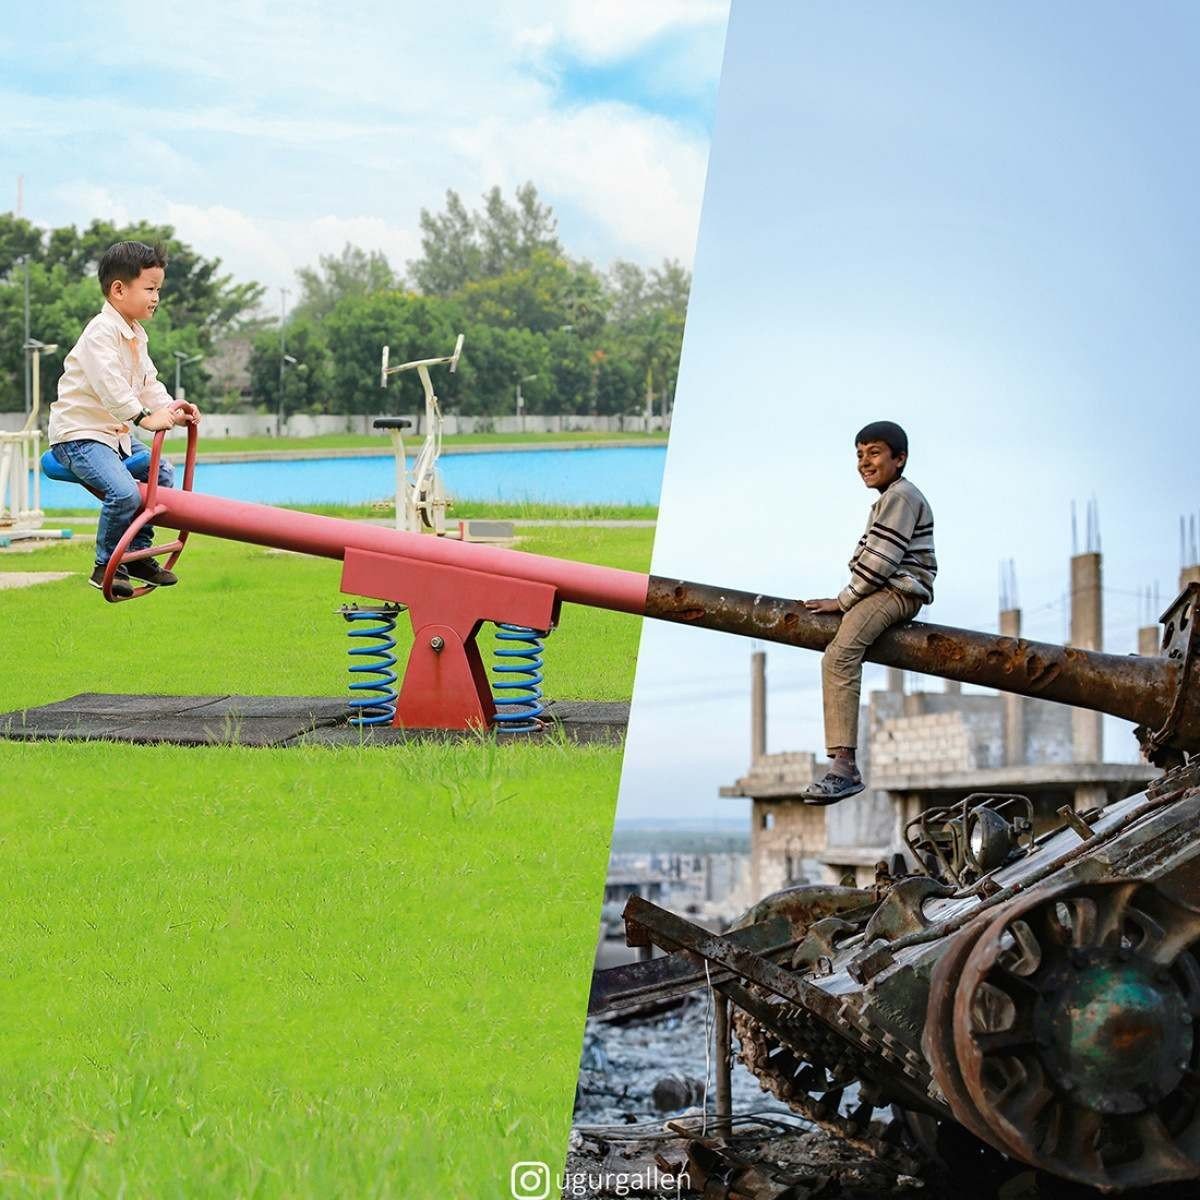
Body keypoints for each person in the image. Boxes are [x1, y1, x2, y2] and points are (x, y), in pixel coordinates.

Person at [49, 241, 199, 599]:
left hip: (112, 435)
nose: (156, 297)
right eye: (149, 289)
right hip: (80, 435)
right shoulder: (100, 333)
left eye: (158, 290)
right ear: (119, 289)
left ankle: (135, 554)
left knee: (160, 471)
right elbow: (110, 385)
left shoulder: (135, 335)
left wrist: (172, 410)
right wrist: (143, 417)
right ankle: (105, 564)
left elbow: (147, 383)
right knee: (123, 492)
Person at [800, 421, 936, 803]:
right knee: (841, 650)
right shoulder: (890, 496)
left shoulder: (902, 496)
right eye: (859, 454)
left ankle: (844, 767)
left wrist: (843, 601)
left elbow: (879, 560)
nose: (864, 462)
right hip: (887, 586)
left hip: (896, 588)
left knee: (840, 657)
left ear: (900, 458)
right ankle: (841, 763)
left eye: (874, 452)